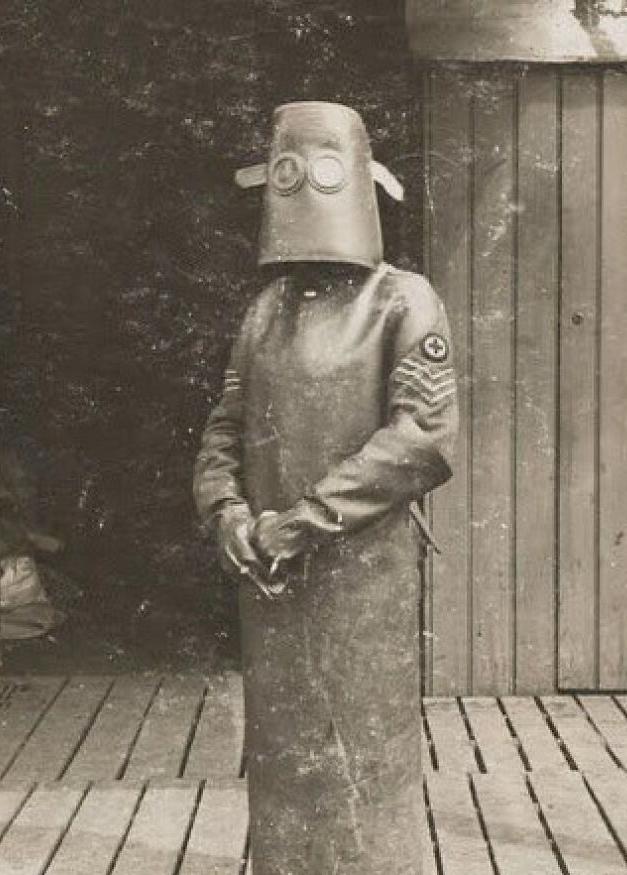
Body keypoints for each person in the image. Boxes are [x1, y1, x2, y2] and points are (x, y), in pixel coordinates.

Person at [193, 101, 458, 875]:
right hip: (272, 584)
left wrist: (301, 522)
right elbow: (223, 430)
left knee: (366, 754)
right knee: (286, 758)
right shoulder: (265, 311)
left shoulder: (404, 300)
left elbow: (422, 439)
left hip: (363, 582)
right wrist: (228, 514)